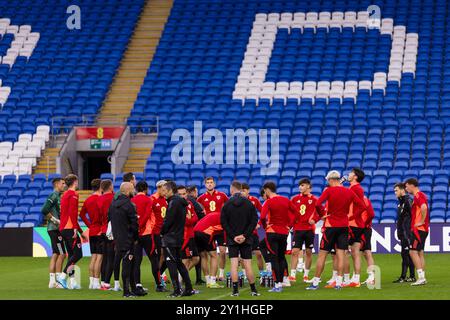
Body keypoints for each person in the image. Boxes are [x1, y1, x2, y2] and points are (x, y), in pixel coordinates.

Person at [306, 170, 367, 291]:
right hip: (344, 226)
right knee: (341, 255)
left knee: (322, 254)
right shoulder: (348, 191)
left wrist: (323, 214)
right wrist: (351, 217)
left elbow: (318, 204)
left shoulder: (329, 191)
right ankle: (339, 282)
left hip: (330, 226)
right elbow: (362, 206)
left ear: (331, 180)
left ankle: (316, 282)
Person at [221, 181, 259, 297]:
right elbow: (254, 221)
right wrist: (245, 235)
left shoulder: (227, 204)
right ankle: (253, 290)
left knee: (233, 265)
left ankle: (235, 291)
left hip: (233, 239)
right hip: (246, 239)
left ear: (232, 190)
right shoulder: (249, 203)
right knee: (247, 264)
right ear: (241, 189)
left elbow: (223, 223)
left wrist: (233, 236)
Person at [260, 181, 297, 292]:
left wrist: (266, 226)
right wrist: (289, 225)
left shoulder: (268, 202)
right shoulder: (286, 200)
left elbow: (262, 217)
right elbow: (296, 213)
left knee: (274, 259)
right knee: (281, 258)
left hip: (272, 232)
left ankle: (277, 285)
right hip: (284, 233)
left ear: (267, 190)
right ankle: (283, 280)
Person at [160, 181, 195, 297]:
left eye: (164, 190)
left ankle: (177, 290)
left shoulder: (173, 202)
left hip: (170, 238)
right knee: (179, 263)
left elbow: (168, 221)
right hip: (178, 237)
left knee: (171, 264)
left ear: (170, 190)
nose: (163, 193)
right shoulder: (180, 202)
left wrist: (162, 232)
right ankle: (188, 288)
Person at [132, 180, 165, 293]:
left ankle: (138, 284)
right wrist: (141, 227)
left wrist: (136, 229)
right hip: (146, 234)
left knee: (137, 260)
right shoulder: (148, 199)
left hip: (135, 235)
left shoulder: (132, 200)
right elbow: (146, 215)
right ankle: (159, 284)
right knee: (153, 259)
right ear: (146, 189)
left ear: (136, 189)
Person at [109, 182, 140, 298]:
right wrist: (135, 238)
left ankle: (132, 289)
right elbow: (134, 224)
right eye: (132, 189)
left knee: (127, 264)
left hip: (118, 238)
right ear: (128, 191)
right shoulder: (129, 205)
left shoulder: (113, 204)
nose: (134, 191)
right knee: (127, 265)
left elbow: (110, 219)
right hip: (128, 239)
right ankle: (126, 292)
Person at [57, 174, 86, 290]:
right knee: (78, 254)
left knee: (71, 256)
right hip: (70, 228)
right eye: (77, 181)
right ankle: (62, 277)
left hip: (63, 228)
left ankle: (72, 282)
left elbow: (66, 213)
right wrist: (75, 229)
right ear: (74, 182)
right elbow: (73, 212)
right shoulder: (73, 194)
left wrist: (80, 230)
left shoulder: (64, 195)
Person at [289, 178, 321, 283]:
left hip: (309, 229)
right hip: (298, 229)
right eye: (300, 185)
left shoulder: (315, 199)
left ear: (308, 186)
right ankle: (292, 275)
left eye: (302, 185)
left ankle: (306, 275)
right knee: (294, 252)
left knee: (308, 252)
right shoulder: (294, 199)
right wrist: (290, 224)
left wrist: (315, 220)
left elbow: (321, 212)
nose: (300, 187)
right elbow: (290, 213)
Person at [197, 177, 229, 281]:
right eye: (208, 183)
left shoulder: (222, 195)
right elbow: (197, 209)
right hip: (208, 229)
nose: (210, 184)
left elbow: (229, 206)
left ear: (214, 184)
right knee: (205, 254)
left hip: (219, 227)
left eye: (211, 182)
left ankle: (221, 274)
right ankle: (208, 277)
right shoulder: (201, 198)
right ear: (205, 185)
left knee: (223, 251)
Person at [41, 177, 66, 289]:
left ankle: (53, 281)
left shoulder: (58, 196)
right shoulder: (53, 195)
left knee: (57, 253)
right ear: (56, 184)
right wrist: (54, 220)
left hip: (55, 229)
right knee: (61, 254)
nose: (64, 185)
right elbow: (44, 210)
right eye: (62, 183)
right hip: (54, 229)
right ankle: (57, 281)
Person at [345, 168, 367, 287]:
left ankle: (349, 278)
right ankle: (355, 278)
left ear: (355, 177)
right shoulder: (353, 188)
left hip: (353, 224)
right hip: (356, 224)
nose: (348, 174)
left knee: (344, 251)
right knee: (355, 251)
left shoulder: (356, 188)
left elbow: (362, 206)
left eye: (351, 173)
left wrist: (350, 217)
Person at [405, 178, 429, 286]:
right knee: (420, 253)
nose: (406, 189)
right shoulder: (420, 195)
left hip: (418, 229)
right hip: (423, 229)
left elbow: (424, 207)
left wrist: (421, 221)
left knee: (412, 251)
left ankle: (421, 277)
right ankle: (422, 277)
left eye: (406, 186)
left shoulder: (418, 195)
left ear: (412, 185)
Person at [79, 178, 103, 290]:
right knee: (99, 257)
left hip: (92, 230)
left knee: (93, 256)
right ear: (101, 187)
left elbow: (82, 214)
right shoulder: (101, 199)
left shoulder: (88, 200)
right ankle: (97, 282)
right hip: (99, 229)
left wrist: (89, 225)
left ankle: (91, 282)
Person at [99, 179, 120, 291]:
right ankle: (107, 283)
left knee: (105, 258)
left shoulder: (99, 199)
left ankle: (103, 281)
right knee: (112, 258)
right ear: (111, 187)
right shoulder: (114, 197)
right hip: (112, 230)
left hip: (102, 230)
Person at [193, 211, 223, 288]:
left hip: (195, 231)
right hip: (206, 233)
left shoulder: (214, 214)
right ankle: (212, 281)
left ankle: (208, 281)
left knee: (203, 256)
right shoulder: (224, 217)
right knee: (214, 256)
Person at [393, 182, 415, 283]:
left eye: (396, 190)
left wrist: (408, 231)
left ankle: (404, 277)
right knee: (406, 254)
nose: (395, 192)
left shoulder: (408, 200)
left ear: (402, 190)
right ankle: (411, 276)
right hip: (403, 232)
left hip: (407, 232)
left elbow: (411, 216)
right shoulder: (401, 202)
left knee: (406, 254)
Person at [241, 183, 265, 274]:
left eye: (244, 190)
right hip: (243, 232)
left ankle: (262, 273)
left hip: (253, 232)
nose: (243, 192)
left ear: (248, 191)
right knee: (244, 255)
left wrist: (258, 223)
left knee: (258, 254)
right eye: (241, 190)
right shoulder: (238, 201)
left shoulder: (254, 200)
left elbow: (263, 211)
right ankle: (244, 274)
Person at [177, 186, 200, 276]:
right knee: (185, 260)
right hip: (183, 236)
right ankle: (182, 282)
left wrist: (189, 220)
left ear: (187, 194)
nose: (182, 196)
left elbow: (195, 218)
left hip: (191, 235)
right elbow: (182, 221)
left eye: (184, 194)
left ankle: (182, 275)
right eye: (180, 194)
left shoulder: (189, 203)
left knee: (196, 258)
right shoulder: (177, 205)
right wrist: (189, 220)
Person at [187, 185, 206, 285]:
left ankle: (198, 278)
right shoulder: (193, 201)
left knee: (195, 256)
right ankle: (183, 275)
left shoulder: (189, 201)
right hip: (193, 232)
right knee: (196, 256)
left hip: (189, 232)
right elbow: (202, 215)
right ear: (194, 192)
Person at [150, 180, 168, 285]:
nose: (165, 191)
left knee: (165, 254)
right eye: (163, 189)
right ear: (159, 188)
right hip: (156, 231)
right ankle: (158, 276)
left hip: (165, 231)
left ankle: (160, 274)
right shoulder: (152, 199)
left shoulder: (165, 200)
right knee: (159, 254)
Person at [360, 195, 376, 285]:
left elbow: (371, 214)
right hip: (360, 228)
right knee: (364, 253)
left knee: (366, 252)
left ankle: (372, 277)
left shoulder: (364, 199)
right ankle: (371, 276)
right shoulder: (360, 199)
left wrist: (366, 224)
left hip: (364, 229)